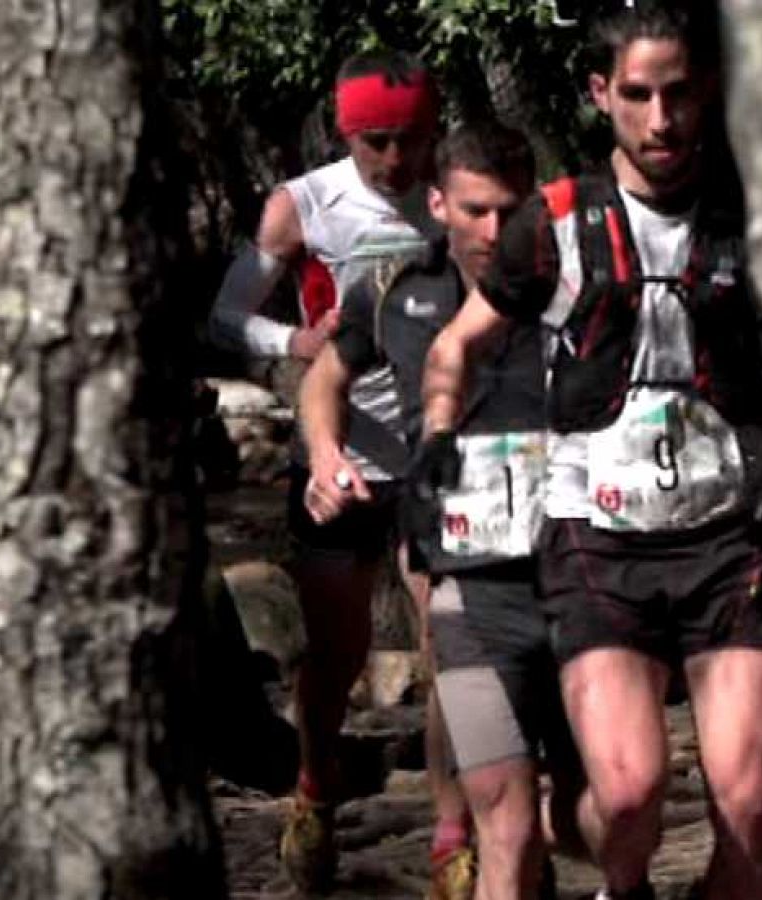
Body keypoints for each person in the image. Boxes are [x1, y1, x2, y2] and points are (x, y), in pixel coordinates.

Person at [419, 6, 762, 899]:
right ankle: (613, 880)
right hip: (599, 539)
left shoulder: (761, 209)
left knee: (747, 807)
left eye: (677, 93)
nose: (661, 119)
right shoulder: (555, 223)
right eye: (637, 95)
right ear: (601, 95)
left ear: (705, 88)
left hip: (732, 539)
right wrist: (438, 445)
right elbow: (455, 347)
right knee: (628, 797)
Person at [207, 51, 473, 896]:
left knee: (456, 650)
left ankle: (453, 836)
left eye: (415, 140)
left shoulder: (455, 197)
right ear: (345, 133)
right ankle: (315, 789)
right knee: (335, 653)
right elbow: (226, 315)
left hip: (444, 456)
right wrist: (294, 343)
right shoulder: (305, 203)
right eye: (379, 143)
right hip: (341, 457)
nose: (399, 160)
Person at [300, 122, 583, 900]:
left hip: (585, 574)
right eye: (475, 211)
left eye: (511, 211)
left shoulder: (581, 284)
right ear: (438, 205)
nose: (495, 232)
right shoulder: (397, 288)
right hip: (464, 564)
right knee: (506, 813)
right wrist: (328, 455)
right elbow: (325, 376)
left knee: (605, 805)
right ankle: (458, 838)